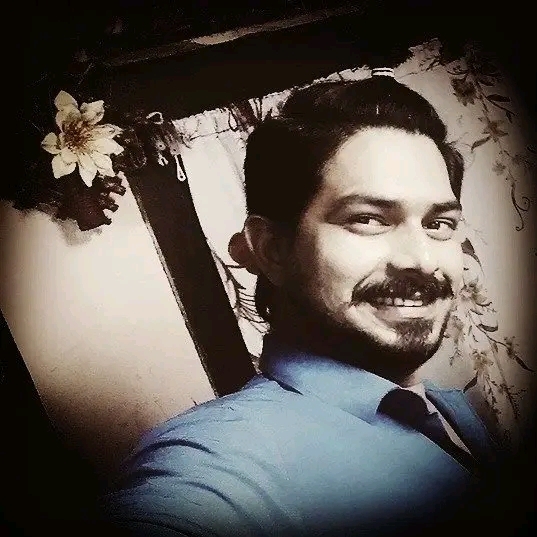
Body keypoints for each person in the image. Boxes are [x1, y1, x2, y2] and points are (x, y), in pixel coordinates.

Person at [98, 70, 502, 536]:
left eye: (439, 224)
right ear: (273, 249)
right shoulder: (223, 459)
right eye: (368, 219)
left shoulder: (452, 408)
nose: (423, 260)